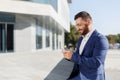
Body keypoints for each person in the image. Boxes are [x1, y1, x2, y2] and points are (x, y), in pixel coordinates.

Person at [62, 11, 109, 80]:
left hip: (92, 77)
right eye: (76, 25)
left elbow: (96, 63)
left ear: (89, 22)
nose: (77, 28)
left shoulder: (101, 39)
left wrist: (73, 56)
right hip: (79, 75)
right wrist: (69, 56)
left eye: (79, 25)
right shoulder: (81, 39)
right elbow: (78, 56)